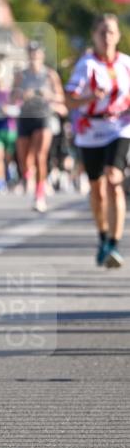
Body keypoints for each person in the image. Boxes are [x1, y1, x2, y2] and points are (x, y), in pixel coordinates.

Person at [65, 14, 130, 268]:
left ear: (118, 36)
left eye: (111, 32)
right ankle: (103, 236)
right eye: (102, 32)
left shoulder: (126, 64)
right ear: (94, 35)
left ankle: (114, 243)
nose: (107, 37)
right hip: (91, 129)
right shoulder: (86, 65)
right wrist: (89, 97)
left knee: (114, 177)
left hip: (120, 127)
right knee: (97, 189)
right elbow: (69, 100)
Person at [13, 41, 65, 213]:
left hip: (44, 116)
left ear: (41, 56)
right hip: (25, 116)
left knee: (40, 156)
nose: (34, 56)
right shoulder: (21, 75)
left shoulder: (49, 75)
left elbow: (61, 97)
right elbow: (11, 97)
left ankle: (39, 195)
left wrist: (48, 95)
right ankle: (27, 176)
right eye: (31, 53)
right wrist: (21, 94)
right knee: (24, 159)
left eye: (36, 53)